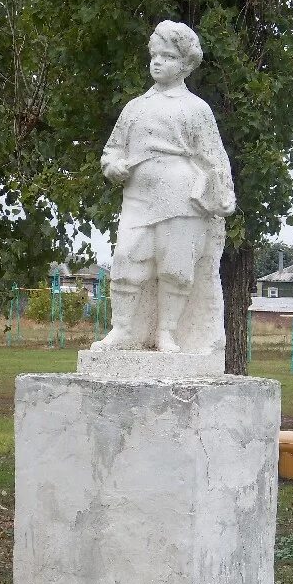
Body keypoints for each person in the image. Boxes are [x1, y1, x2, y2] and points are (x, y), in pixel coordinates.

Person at [91, 20, 235, 354]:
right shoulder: (135, 107)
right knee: (128, 258)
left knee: (176, 266)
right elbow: (112, 150)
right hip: (138, 196)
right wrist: (112, 166)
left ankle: (168, 332)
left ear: (186, 65)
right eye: (154, 54)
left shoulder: (196, 109)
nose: (157, 61)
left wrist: (224, 191)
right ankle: (123, 330)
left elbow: (214, 155)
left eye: (168, 56)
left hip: (182, 196)